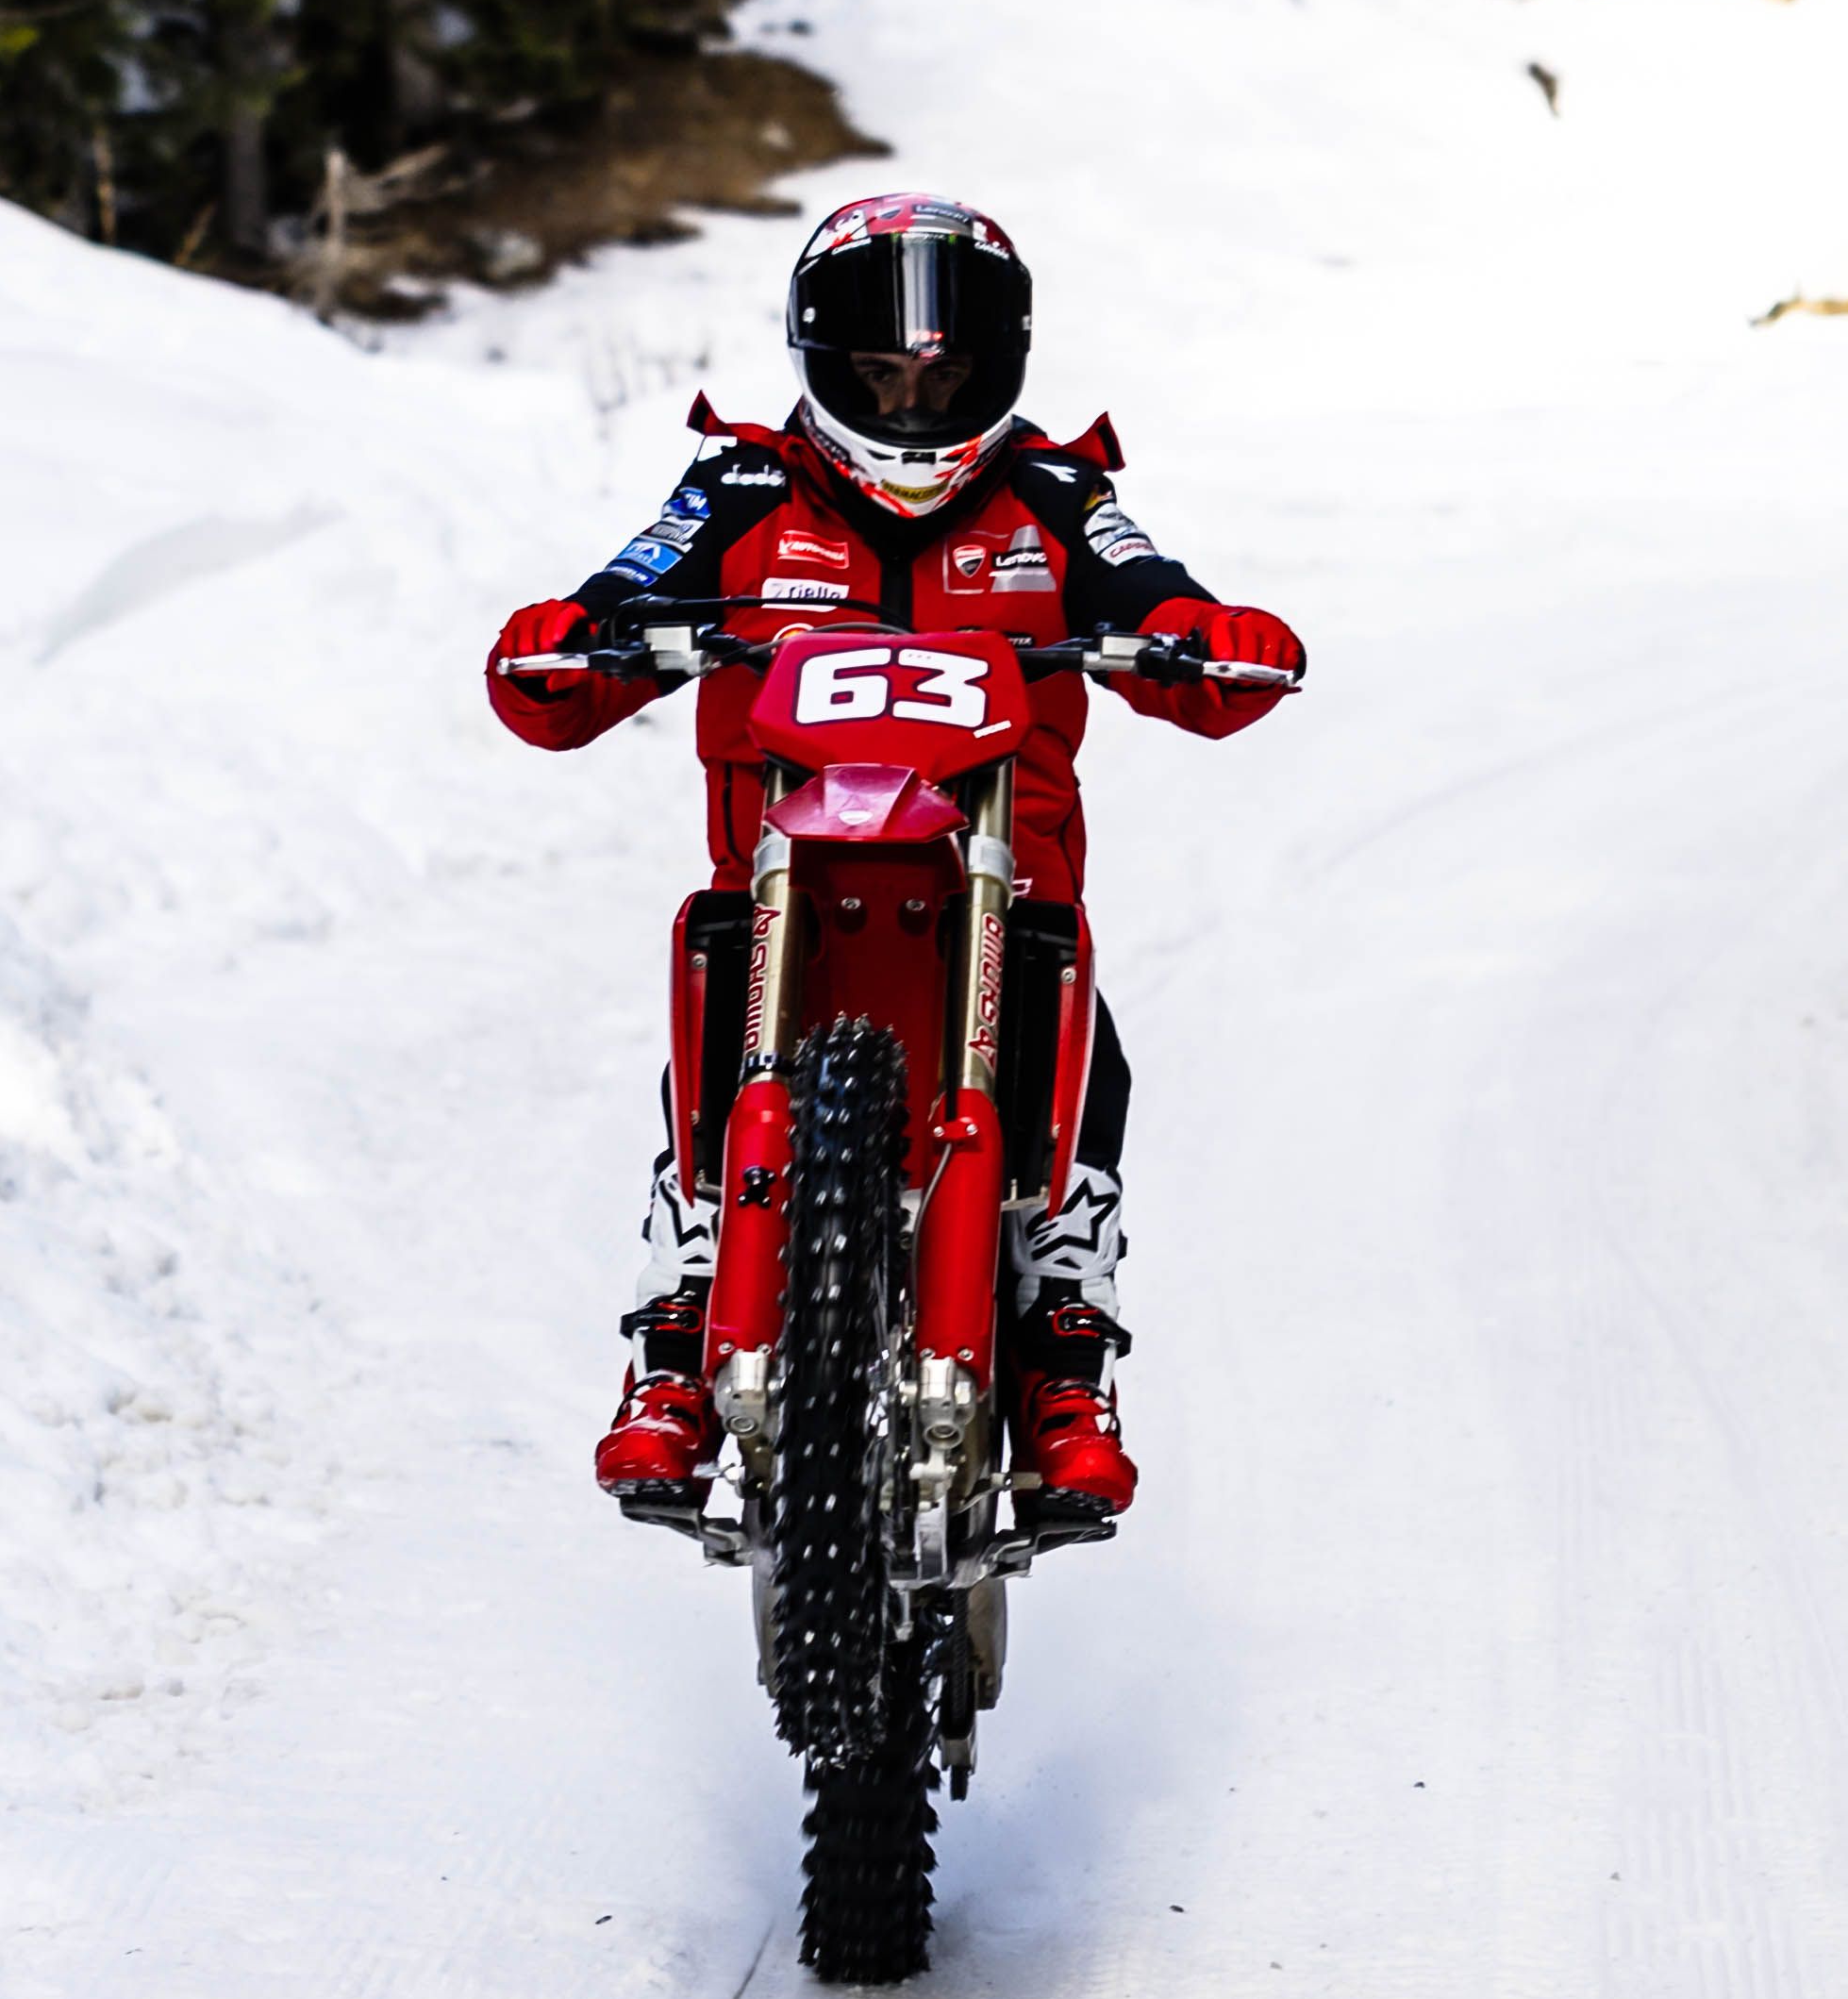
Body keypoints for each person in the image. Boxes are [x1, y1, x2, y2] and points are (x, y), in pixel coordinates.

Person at [485, 192, 1306, 1529]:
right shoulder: (742, 486)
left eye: (947, 369)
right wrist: (582, 635)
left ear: (1004, 363)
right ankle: (681, 1336)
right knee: (715, 958)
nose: (915, 393)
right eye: (879, 369)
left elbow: (1150, 592)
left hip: (999, 893)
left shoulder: (1053, 491)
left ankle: (1063, 1354)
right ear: (817, 358)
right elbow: (613, 610)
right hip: (790, 893)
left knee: (1081, 1022)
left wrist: (1208, 634)